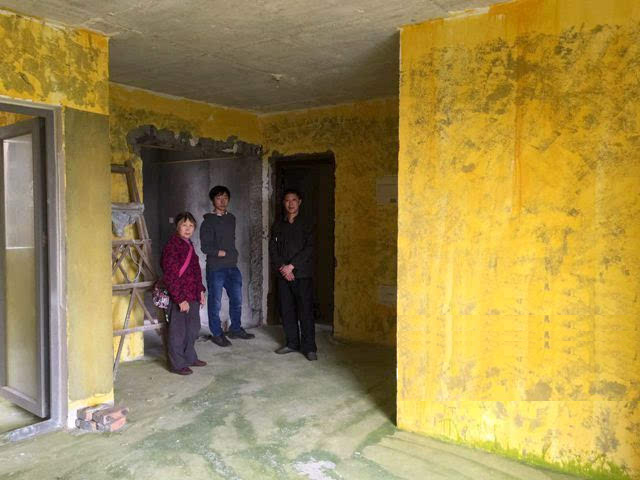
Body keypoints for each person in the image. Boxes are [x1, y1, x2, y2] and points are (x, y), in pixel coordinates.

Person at [200, 185, 255, 346]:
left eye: (225, 198)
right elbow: (205, 247)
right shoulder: (207, 222)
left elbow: (231, 239)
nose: (222, 201)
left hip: (232, 266)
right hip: (216, 268)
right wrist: (220, 252)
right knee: (215, 302)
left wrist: (232, 255)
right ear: (213, 201)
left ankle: (235, 329)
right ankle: (217, 333)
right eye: (219, 198)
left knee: (237, 300)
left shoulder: (231, 218)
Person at [269, 189, 317, 361]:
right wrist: (283, 268)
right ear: (284, 203)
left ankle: (309, 347)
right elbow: (273, 249)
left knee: (305, 311)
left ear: (299, 202)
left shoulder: (307, 223)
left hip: (302, 274)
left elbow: (309, 248)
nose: (291, 203)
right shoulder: (278, 225)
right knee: (287, 310)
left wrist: (292, 266)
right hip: (283, 275)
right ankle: (292, 343)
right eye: (287, 200)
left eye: (294, 200)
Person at [161, 211, 207, 375]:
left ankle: (189, 357)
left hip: (192, 294)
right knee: (178, 332)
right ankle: (177, 364)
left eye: (191, 225)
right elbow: (170, 276)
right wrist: (180, 299)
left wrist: (201, 291)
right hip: (179, 297)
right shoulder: (172, 247)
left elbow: (196, 271)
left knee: (193, 329)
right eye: (184, 225)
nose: (188, 229)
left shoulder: (189, 245)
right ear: (177, 227)